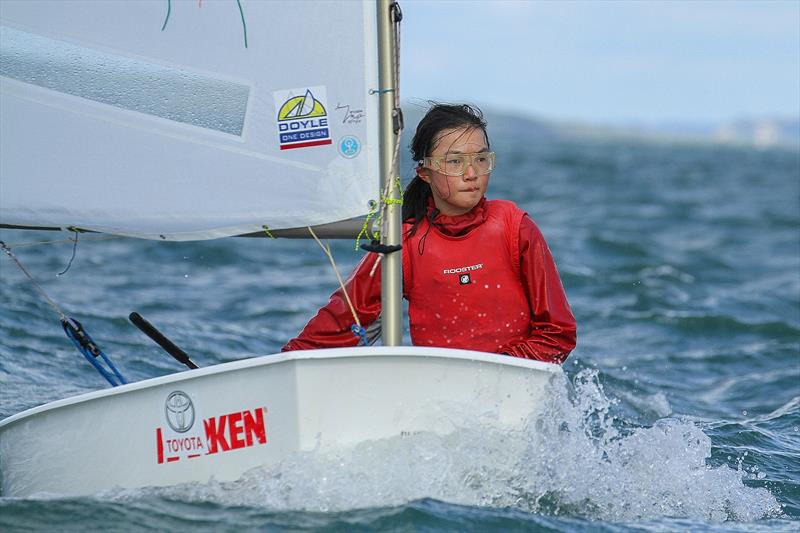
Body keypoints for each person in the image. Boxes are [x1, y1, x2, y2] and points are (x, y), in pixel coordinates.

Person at [282, 103, 576, 363]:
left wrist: (498, 371)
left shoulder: (515, 228)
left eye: (481, 159)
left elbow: (558, 333)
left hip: (514, 387)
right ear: (425, 172)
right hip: (441, 400)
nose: (471, 173)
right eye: (454, 162)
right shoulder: (405, 243)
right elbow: (341, 323)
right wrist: (285, 367)